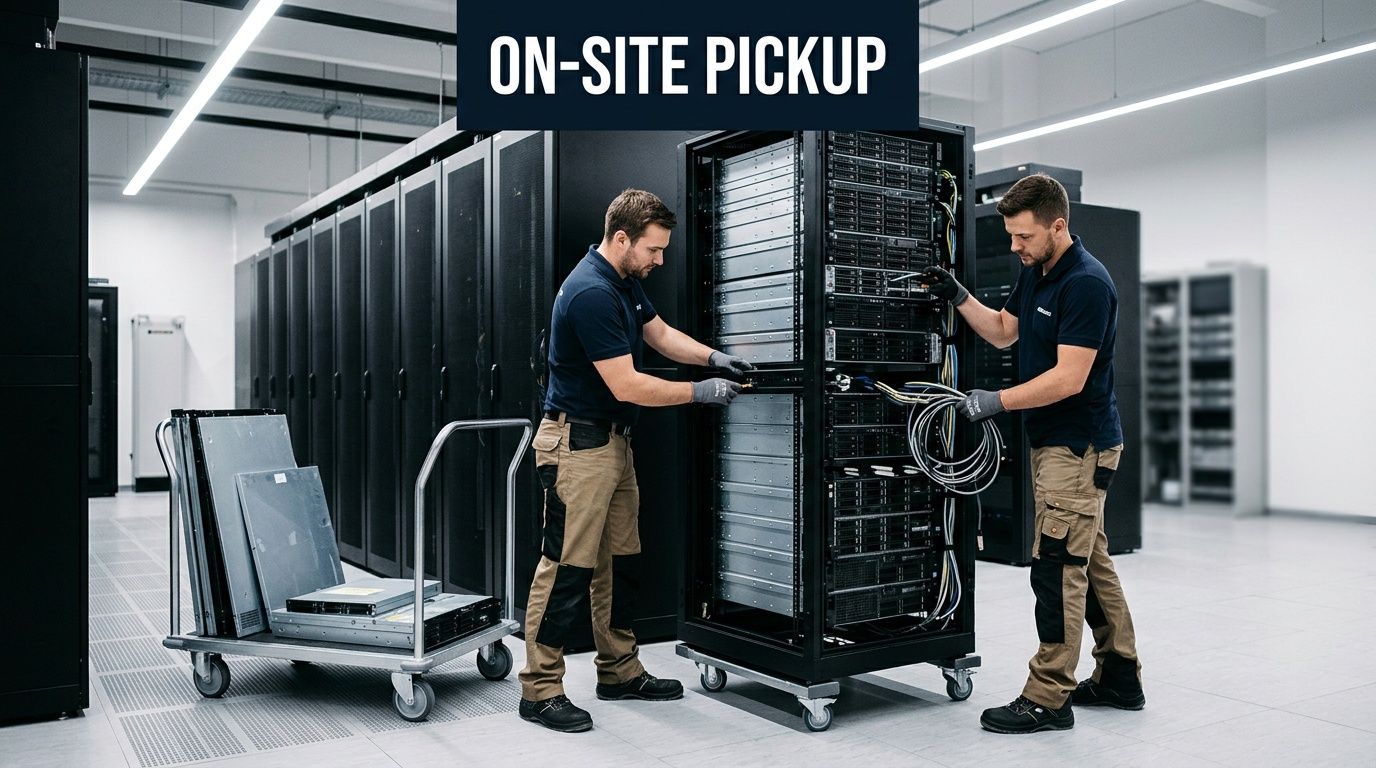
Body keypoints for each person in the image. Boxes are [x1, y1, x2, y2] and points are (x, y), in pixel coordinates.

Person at [518, 188, 752, 733]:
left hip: (612, 445)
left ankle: (619, 671)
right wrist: (699, 392)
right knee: (566, 568)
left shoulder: (622, 282)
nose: (659, 260)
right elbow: (626, 384)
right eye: (653, 250)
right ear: (621, 239)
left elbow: (660, 335)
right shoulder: (590, 292)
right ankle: (540, 689)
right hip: (577, 447)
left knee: (621, 563)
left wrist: (713, 356)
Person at [917, 174, 1143, 734]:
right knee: (1089, 561)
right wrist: (958, 295)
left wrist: (996, 401)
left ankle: (1048, 695)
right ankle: (1120, 676)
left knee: (1057, 567)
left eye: (1023, 236)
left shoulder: (1086, 283)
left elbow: (1070, 378)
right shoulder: (1036, 273)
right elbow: (1001, 332)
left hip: (1077, 443)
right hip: (1054, 444)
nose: (1014, 246)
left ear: (1057, 226)